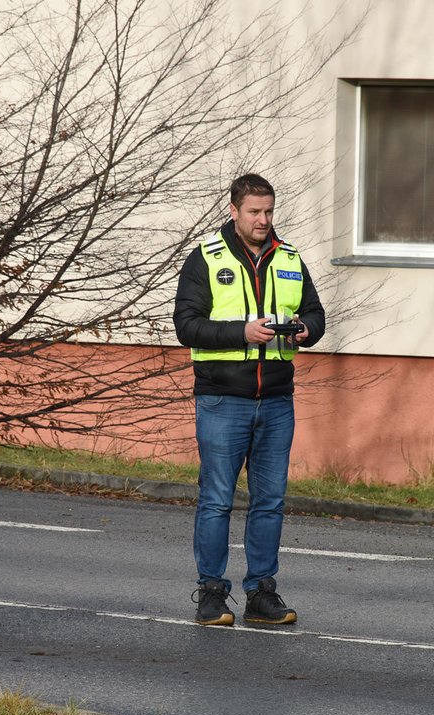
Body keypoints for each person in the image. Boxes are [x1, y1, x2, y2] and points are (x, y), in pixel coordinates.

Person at [173, 173, 326, 626]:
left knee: (270, 501)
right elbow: (187, 325)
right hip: (223, 398)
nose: (263, 220)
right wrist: (240, 331)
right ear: (234, 211)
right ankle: (212, 593)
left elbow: (316, 314)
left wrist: (306, 332)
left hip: (277, 399)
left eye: (269, 211)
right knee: (217, 499)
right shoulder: (205, 257)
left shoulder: (291, 258)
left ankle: (261, 592)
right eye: (255, 212)